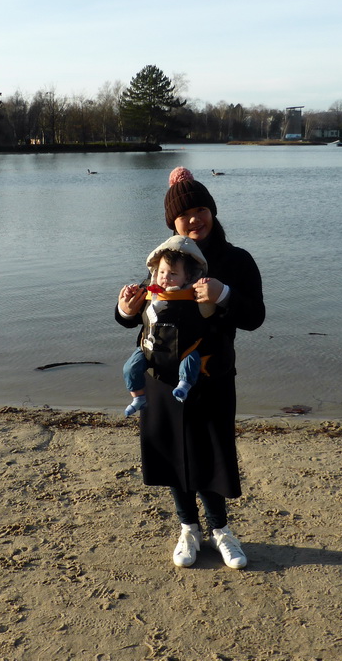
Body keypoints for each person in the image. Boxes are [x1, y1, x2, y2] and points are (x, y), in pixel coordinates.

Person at [115, 166, 265, 569]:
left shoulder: (236, 260)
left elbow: (255, 318)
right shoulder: (167, 257)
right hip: (160, 376)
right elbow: (146, 312)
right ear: (173, 222)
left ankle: (221, 532)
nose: (194, 219)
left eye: (200, 209)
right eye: (185, 215)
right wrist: (123, 310)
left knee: (211, 455)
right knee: (171, 454)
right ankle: (188, 530)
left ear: (212, 211)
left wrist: (225, 293)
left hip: (213, 375)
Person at [122, 235, 216, 417]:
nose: (165, 278)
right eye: (162, 272)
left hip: (185, 348)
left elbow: (208, 311)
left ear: (187, 276)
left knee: (191, 362)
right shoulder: (148, 289)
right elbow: (127, 316)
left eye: (173, 274)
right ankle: (137, 397)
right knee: (130, 367)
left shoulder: (194, 292)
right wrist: (127, 301)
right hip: (150, 346)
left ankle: (184, 386)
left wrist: (210, 292)